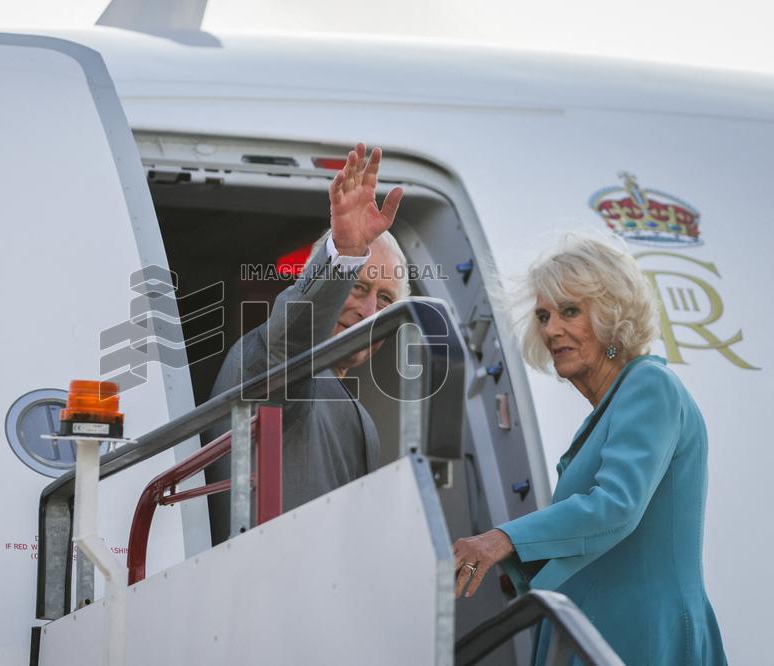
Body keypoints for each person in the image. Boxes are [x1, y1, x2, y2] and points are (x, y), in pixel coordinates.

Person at [451, 234, 726, 664]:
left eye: (570, 311)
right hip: (599, 630)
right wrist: (522, 563)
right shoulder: (614, 405)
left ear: (613, 316)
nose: (550, 329)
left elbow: (616, 505)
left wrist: (503, 539)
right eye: (543, 315)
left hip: (642, 637)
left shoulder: (650, 385)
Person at [205, 143, 408, 543]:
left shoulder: (359, 416)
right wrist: (345, 253)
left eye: (385, 300)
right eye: (356, 287)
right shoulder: (266, 362)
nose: (369, 312)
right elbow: (290, 343)